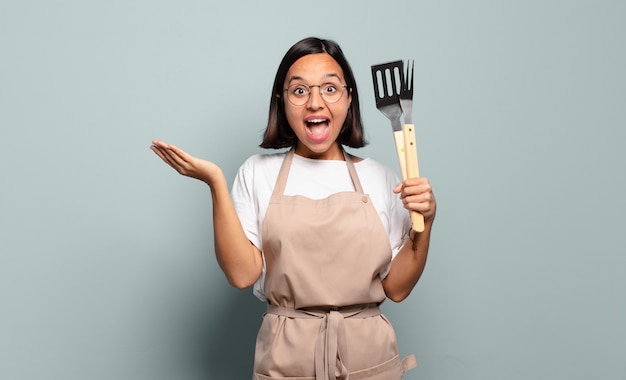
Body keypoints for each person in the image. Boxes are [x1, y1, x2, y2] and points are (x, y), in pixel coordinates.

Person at [151, 36, 436, 380]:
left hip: (368, 355)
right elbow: (242, 275)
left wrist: (427, 222)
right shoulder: (258, 172)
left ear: (349, 98)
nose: (315, 103)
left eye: (330, 89)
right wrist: (215, 182)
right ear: (282, 102)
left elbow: (397, 288)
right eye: (299, 91)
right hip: (287, 357)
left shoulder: (381, 177)